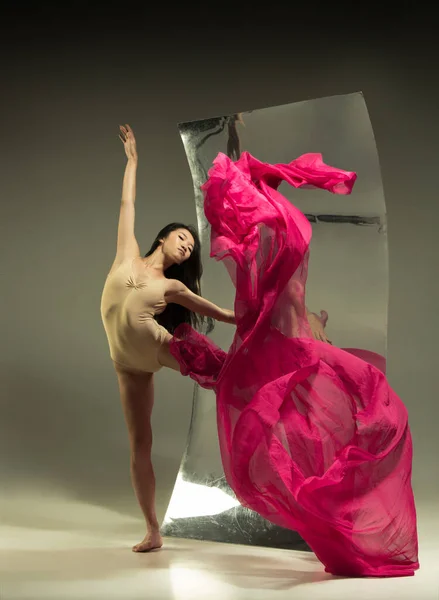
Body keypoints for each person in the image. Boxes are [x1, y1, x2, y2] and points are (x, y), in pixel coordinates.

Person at [169, 151, 419, 577]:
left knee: (364, 411)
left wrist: (312, 323)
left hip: (300, 343)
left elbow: (282, 291)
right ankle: (342, 526)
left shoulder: (279, 243)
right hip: (288, 351)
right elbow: (259, 293)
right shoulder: (263, 258)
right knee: (323, 428)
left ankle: (346, 523)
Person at [101, 125, 333, 553]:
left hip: (160, 348)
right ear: (163, 237)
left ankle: (294, 376)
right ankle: (152, 529)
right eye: (182, 238)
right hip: (127, 366)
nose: (187, 246)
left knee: (232, 379)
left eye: (191, 246)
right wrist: (133, 161)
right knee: (141, 445)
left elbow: (220, 313)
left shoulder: (172, 288)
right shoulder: (125, 254)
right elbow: (126, 203)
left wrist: (253, 316)